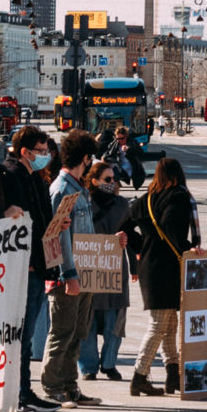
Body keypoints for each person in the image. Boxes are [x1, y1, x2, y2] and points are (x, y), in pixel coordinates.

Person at [126, 158, 197, 395]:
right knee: (159, 324)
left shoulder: (145, 199)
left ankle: (172, 375)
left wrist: (142, 245)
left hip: (149, 265)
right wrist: (189, 248)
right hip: (166, 267)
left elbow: (123, 226)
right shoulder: (178, 196)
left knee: (169, 322)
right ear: (178, 175)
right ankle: (139, 376)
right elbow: (170, 227)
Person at [4, 126, 62, 412]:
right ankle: (17, 393)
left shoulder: (36, 177)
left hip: (37, 263)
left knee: (26, 335)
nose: (45, 156)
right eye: (40, 151)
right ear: (24, 152)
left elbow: (40, 217)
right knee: (21, 334)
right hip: (23, 265)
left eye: (47, 151)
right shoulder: (12, 175)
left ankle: (25, 390)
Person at [43, 129, 100, 409]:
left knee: (78, 332)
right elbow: (58, 236)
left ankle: (69, 385)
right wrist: (69, 274)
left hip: (84, 273)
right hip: (70, 276)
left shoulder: (78, 188)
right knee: (63, 332)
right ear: (86, 158)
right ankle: (53, 386)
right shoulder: (62, 189)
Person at [78, 159, 131, 383]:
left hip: (115, 268)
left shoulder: (122, 204)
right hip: (89, 266)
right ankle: (88, 366)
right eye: (107, 179)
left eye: (114, 179)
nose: (112, 182)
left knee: (115, 319)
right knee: (87, 319)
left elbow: (132, 233)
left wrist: (126, 239)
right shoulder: (83, 204)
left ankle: (109, 364)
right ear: (94, 181)